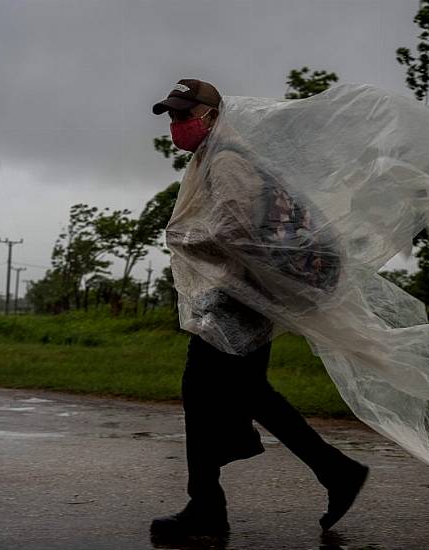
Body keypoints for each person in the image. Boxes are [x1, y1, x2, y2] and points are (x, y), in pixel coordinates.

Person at [149, 79, 369, 539]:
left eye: (185, 114)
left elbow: (237, 233)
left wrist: (184, 238)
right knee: (244, 393)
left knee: (207, 390)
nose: (178, 124)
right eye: (172, 115)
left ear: (212, 115)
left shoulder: (228, 160)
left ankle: (209, 505)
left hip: (240, 298)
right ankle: (333, 472)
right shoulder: (219, 157)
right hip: (245, 295)